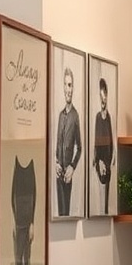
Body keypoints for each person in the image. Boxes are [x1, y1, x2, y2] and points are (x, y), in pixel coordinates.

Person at [11, 155, 36, 265]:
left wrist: (32, 223)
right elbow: (12, 198)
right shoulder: (17, 172)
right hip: (19, 225)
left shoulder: (31, 172)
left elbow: (33, 199)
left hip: (27, 226)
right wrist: (14, 221)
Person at [55, 66, 82, 217]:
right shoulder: (60, 116)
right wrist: (56, 162)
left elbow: (80, 147)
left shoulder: (75, 116)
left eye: (70, 85)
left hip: (68, 175)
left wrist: (72, 166)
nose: (68, 89)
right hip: (58, 174)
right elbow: (57, 144)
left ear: (73, 87)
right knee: (59, 213)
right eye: (66, 85)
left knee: (66, 213)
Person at [92, 76, 114, 215]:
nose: (103, 100)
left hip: (108, 162)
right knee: (101, 196)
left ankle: (105, 211)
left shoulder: (109, 118)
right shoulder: (98, 118)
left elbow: (111, 142)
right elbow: (96, 143)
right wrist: (99, 161)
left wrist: (110, 161)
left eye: (104, 96)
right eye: (100, 96)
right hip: (100, 163)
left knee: (108, 197)